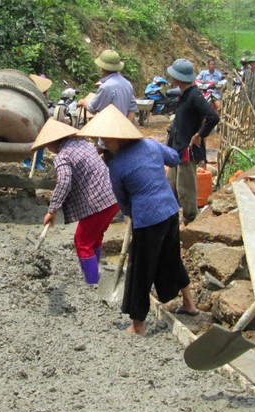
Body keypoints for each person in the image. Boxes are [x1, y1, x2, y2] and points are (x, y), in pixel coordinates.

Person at [77, 107, 198, 336]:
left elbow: (121, 199)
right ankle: (190, 304)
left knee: (140, 270)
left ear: (118, 139)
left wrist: (133, 212)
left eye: (106, 140)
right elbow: (173, 158)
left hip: (148, 219)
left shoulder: (117, 165)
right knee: (171, 257)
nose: (102, 143)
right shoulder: (151, 145)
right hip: (170, 211)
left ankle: (138, 325)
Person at [32, 118, 119, 284]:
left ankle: (92, 282)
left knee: (82, 242)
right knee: (95, 237)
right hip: (112, 198)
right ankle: (95, 273)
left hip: (97, 203)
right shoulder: (84, 145)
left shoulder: (63, 156)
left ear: (52, 143)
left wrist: (52, 210)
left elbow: (64, 181)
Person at [165, 59, 220, 227]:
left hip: (187, 149)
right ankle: (171, 216)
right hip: (177, 146)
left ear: (179, 79)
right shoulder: (184, 94)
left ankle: (190, 219)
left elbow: (213, 117)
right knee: (170, 185)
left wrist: (199, 135)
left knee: (185, 189)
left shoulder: (194, 95)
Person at [77, 49, 137, 122]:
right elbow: (132, 108)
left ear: (102, 68)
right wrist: (126, 125)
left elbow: (93, 108)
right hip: (122, 128)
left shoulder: (106, 87)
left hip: (108, 127)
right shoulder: (127, 84)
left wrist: (83, 102)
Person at [23, 74, 53, 171]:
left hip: (41, 117)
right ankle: (26, 162)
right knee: (28, 139)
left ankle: (37, 162)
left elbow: (46, 103)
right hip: (30, 117)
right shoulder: (29, 91)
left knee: (41, 141)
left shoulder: (44, 94)